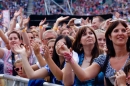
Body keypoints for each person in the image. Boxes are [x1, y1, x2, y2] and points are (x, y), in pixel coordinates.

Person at [62, 19, 130, 86]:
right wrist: (70, 59)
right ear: (110, 36)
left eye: (123, 30)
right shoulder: (104, 59)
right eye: (116, 31)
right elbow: (84, 76)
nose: (120, 33)